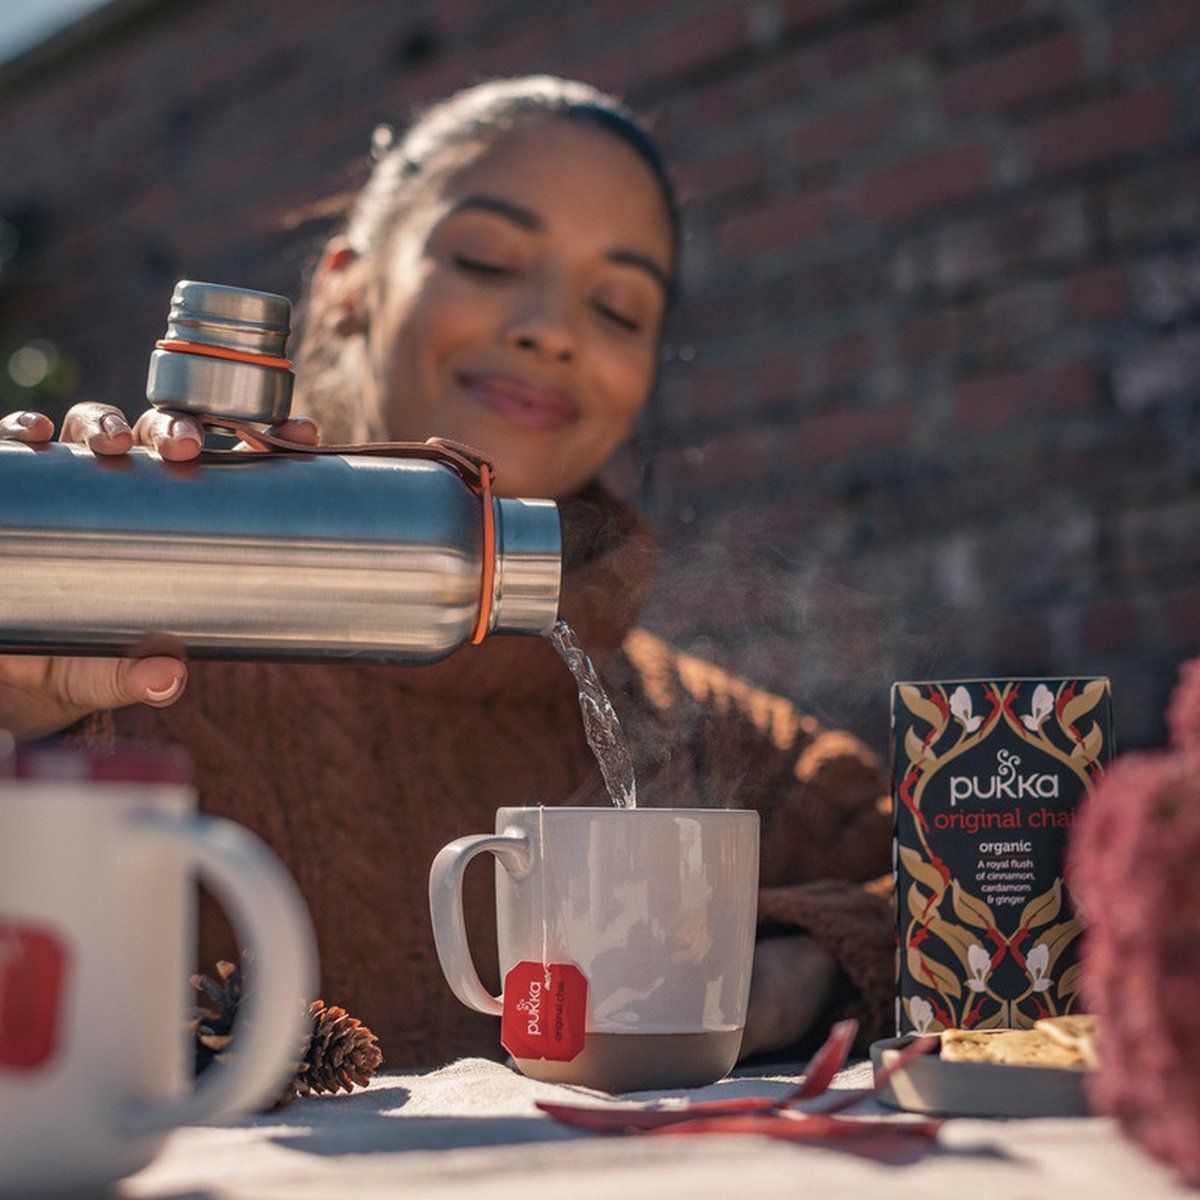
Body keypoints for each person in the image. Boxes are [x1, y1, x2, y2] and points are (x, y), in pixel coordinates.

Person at [0, 76, 894, 1065]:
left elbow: (976, 884)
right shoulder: (131, 669)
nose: (553, 327)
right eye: (486, 257)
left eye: (618, 305)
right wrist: (28, 704)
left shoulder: (699, 728)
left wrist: (793, 971)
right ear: (345, 288)